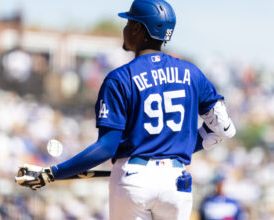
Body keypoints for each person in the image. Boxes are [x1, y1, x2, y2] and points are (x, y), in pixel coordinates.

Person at [15, 0, 236, 219]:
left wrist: (53, 173)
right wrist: (182, 148)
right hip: (176, 183)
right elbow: (224, 129)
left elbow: (106, 147)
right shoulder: (193, 73)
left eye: (129, 22)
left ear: (139, 29)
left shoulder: (120, 78)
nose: (125, 28)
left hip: (134, 180)